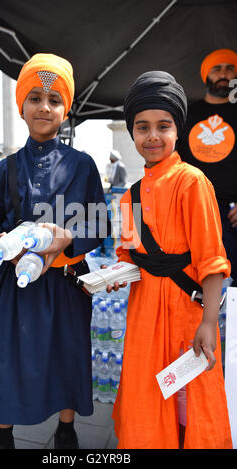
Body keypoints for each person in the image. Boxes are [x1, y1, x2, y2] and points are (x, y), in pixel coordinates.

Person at [0, 53, 110, 450]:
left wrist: (68, 239)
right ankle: (3, 436)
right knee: (7, 358)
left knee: (67, 355)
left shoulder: (83, 166)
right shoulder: (5, 169)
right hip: (19, 285)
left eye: (54, 99)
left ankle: (66, 431)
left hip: (67, 283)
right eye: (35, 97)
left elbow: (99, 224)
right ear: (22, 106)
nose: (44, 107)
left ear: (66, 109)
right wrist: (2, 246)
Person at [106, 71, 232, 448]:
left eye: (163, 126)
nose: (153, 136)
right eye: (142, 127)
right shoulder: (130, 196)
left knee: (188, 408)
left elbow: (212, 261)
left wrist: (209, 322)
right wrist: (114, 274)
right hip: (144, 316)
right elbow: (132, 258)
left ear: (178, 130)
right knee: (147, 400)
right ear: (133, 134)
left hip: (186, 315)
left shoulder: (192, 181)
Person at [177, 49, 237, 287]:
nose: (223, 73)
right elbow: (172, 162)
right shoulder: (187, 114)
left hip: (231, 215)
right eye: (217, 68)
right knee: (191, 280)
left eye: (229, 68)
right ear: (206, 76)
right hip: (192, 209)